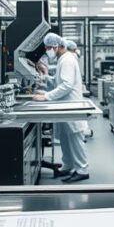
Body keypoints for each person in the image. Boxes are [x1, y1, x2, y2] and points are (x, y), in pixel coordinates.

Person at [34, 33, 90, 182]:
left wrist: (46, 96)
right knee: (66, 139)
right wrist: (46, 78)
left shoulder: (67, 60)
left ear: (57, 46)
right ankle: (68, 166)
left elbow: (66, 85)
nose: (48, 51)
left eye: (49, 48)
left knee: (75, 138)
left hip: (71, 105)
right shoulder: (62, 59)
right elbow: (60, 81)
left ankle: (82, 169)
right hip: (65, 105)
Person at [64, 40, 93, 140]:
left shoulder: (69, 58)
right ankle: (83, 132)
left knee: (75, 127)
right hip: (75, 94)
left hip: (72, 97)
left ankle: (82, 133)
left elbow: (67, 83)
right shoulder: (73, 57)